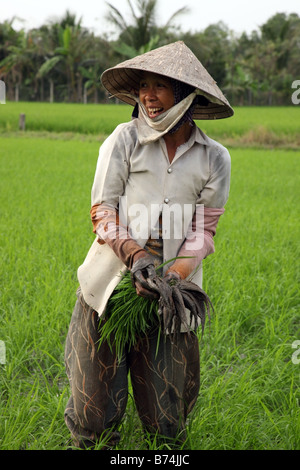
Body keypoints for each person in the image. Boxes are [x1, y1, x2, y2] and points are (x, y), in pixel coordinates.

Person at [64, 41, 233, 449]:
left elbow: (203, 231)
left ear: (185, 96)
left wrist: (172, 279)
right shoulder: (124, 140)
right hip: (111, 286)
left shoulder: (214, 158)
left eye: (160, 86)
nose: (148, 96)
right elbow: (102, 211)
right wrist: (136, 257)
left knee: (166, 409)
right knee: (95, 403)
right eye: (143, 85)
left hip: (171, 294)